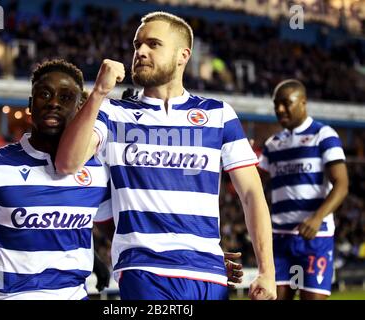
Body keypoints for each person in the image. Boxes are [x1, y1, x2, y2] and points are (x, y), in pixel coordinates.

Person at [56, 12, 276, 300]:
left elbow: (251, 195)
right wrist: (98, 93)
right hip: (143, 268)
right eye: (137, 45)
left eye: (153, 44)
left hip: (209, 272)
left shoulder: (219, 114)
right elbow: (67, 163)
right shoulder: (113, 113)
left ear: (183, 55)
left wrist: (267, 271)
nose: (141, 52)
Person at [0, 59, 112, 300]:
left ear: (81, 106)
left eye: (64, 97)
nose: (53, 103)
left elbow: (116, 233)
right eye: (44, 94)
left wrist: (94, 260)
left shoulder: (98, 172)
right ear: (31, 105)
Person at [258, 79, 349, 300]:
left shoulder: (323, 135)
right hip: (280, 238)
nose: (280, 109)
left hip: (315, 238)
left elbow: (342, 184)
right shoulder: (272, 145)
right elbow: (256, 185)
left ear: (303, 103)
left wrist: (317, 218)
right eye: (276, 104)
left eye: (286, 103)